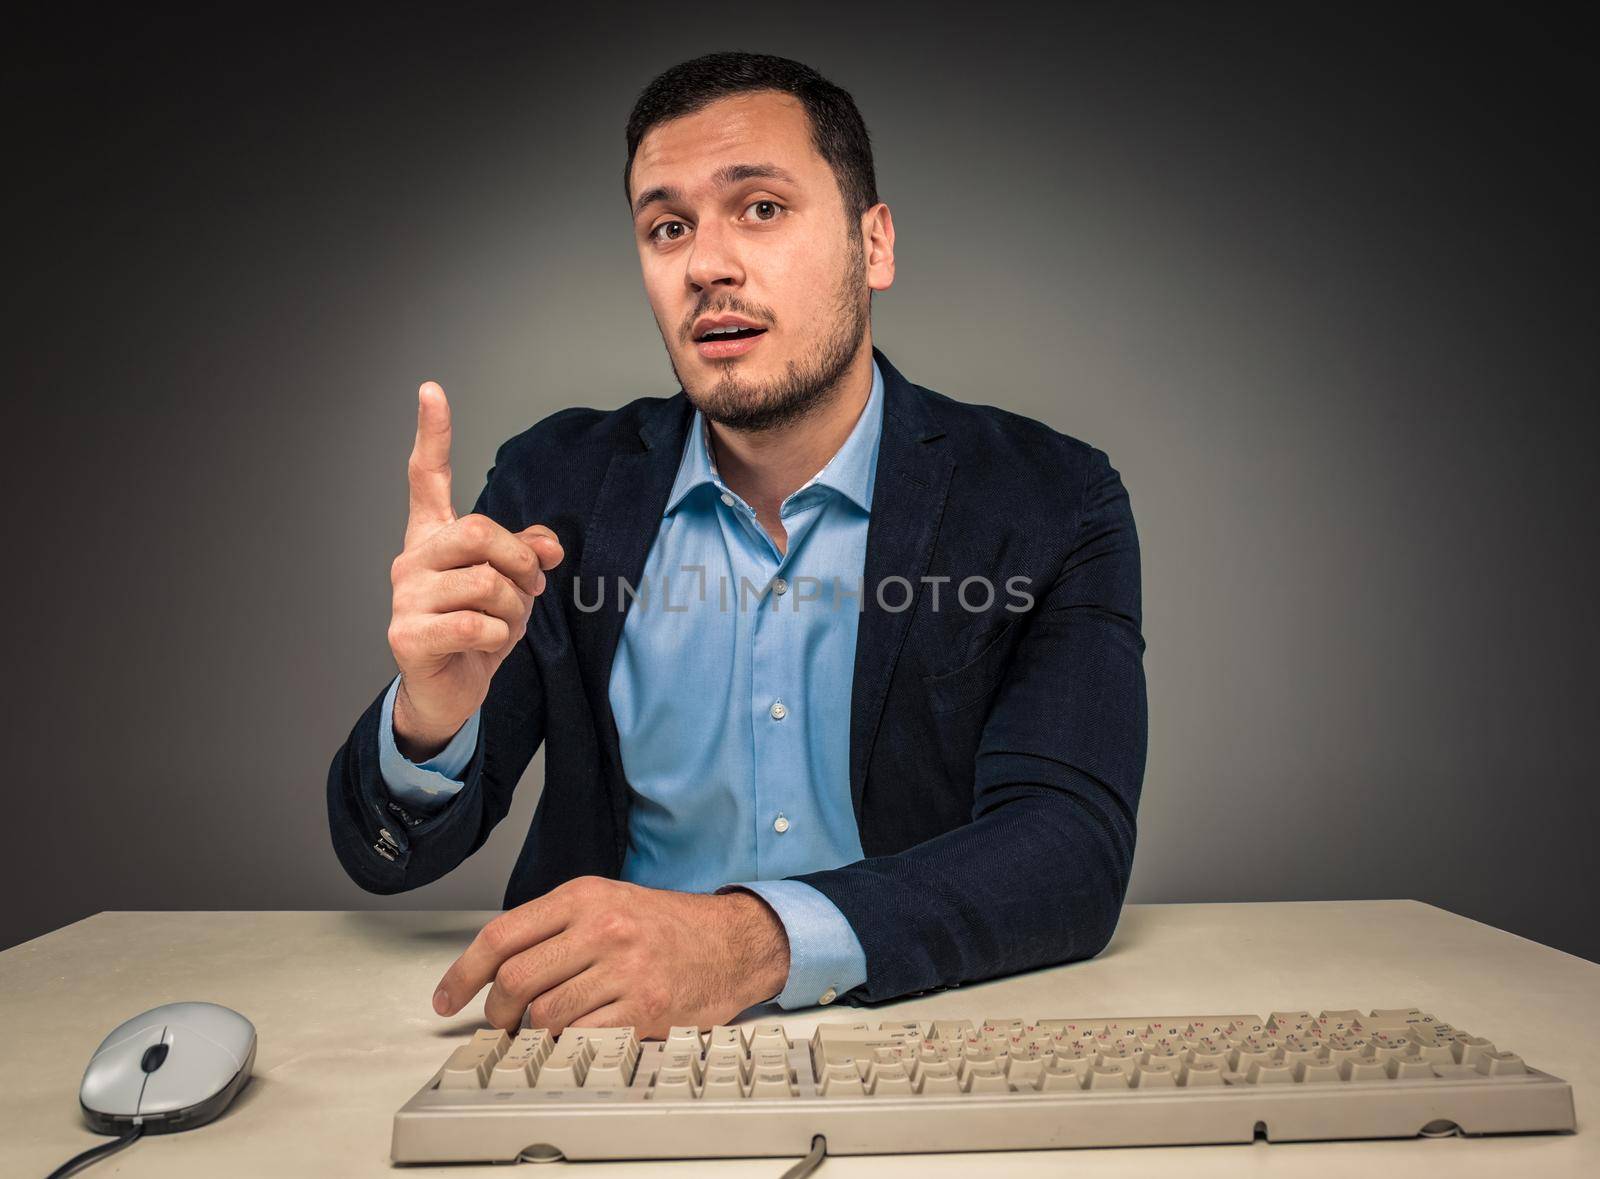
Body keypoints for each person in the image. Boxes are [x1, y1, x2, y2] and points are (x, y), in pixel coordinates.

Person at [327, 51, 1147, 1039]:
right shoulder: (557, 487)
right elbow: (390, 858)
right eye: (666, 226)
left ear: (872, 243)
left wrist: (749, 940)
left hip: (914, 1031)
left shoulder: (1051, 497)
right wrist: (431, 717)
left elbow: (1068, 853)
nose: (705, 264)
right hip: (597, 1040)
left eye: (759, 208)